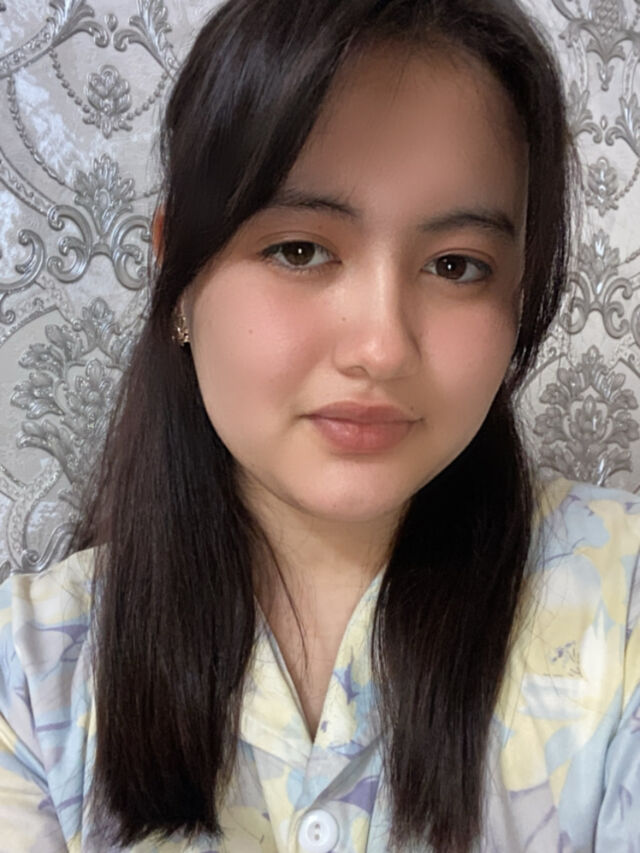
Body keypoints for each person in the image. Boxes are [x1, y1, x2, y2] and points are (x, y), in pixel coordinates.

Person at [1, 0, 639, 850]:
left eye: (456, 265)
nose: (381, 347)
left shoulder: (621, 605)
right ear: (177, 275)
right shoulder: (32, 672)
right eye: (299, 250)